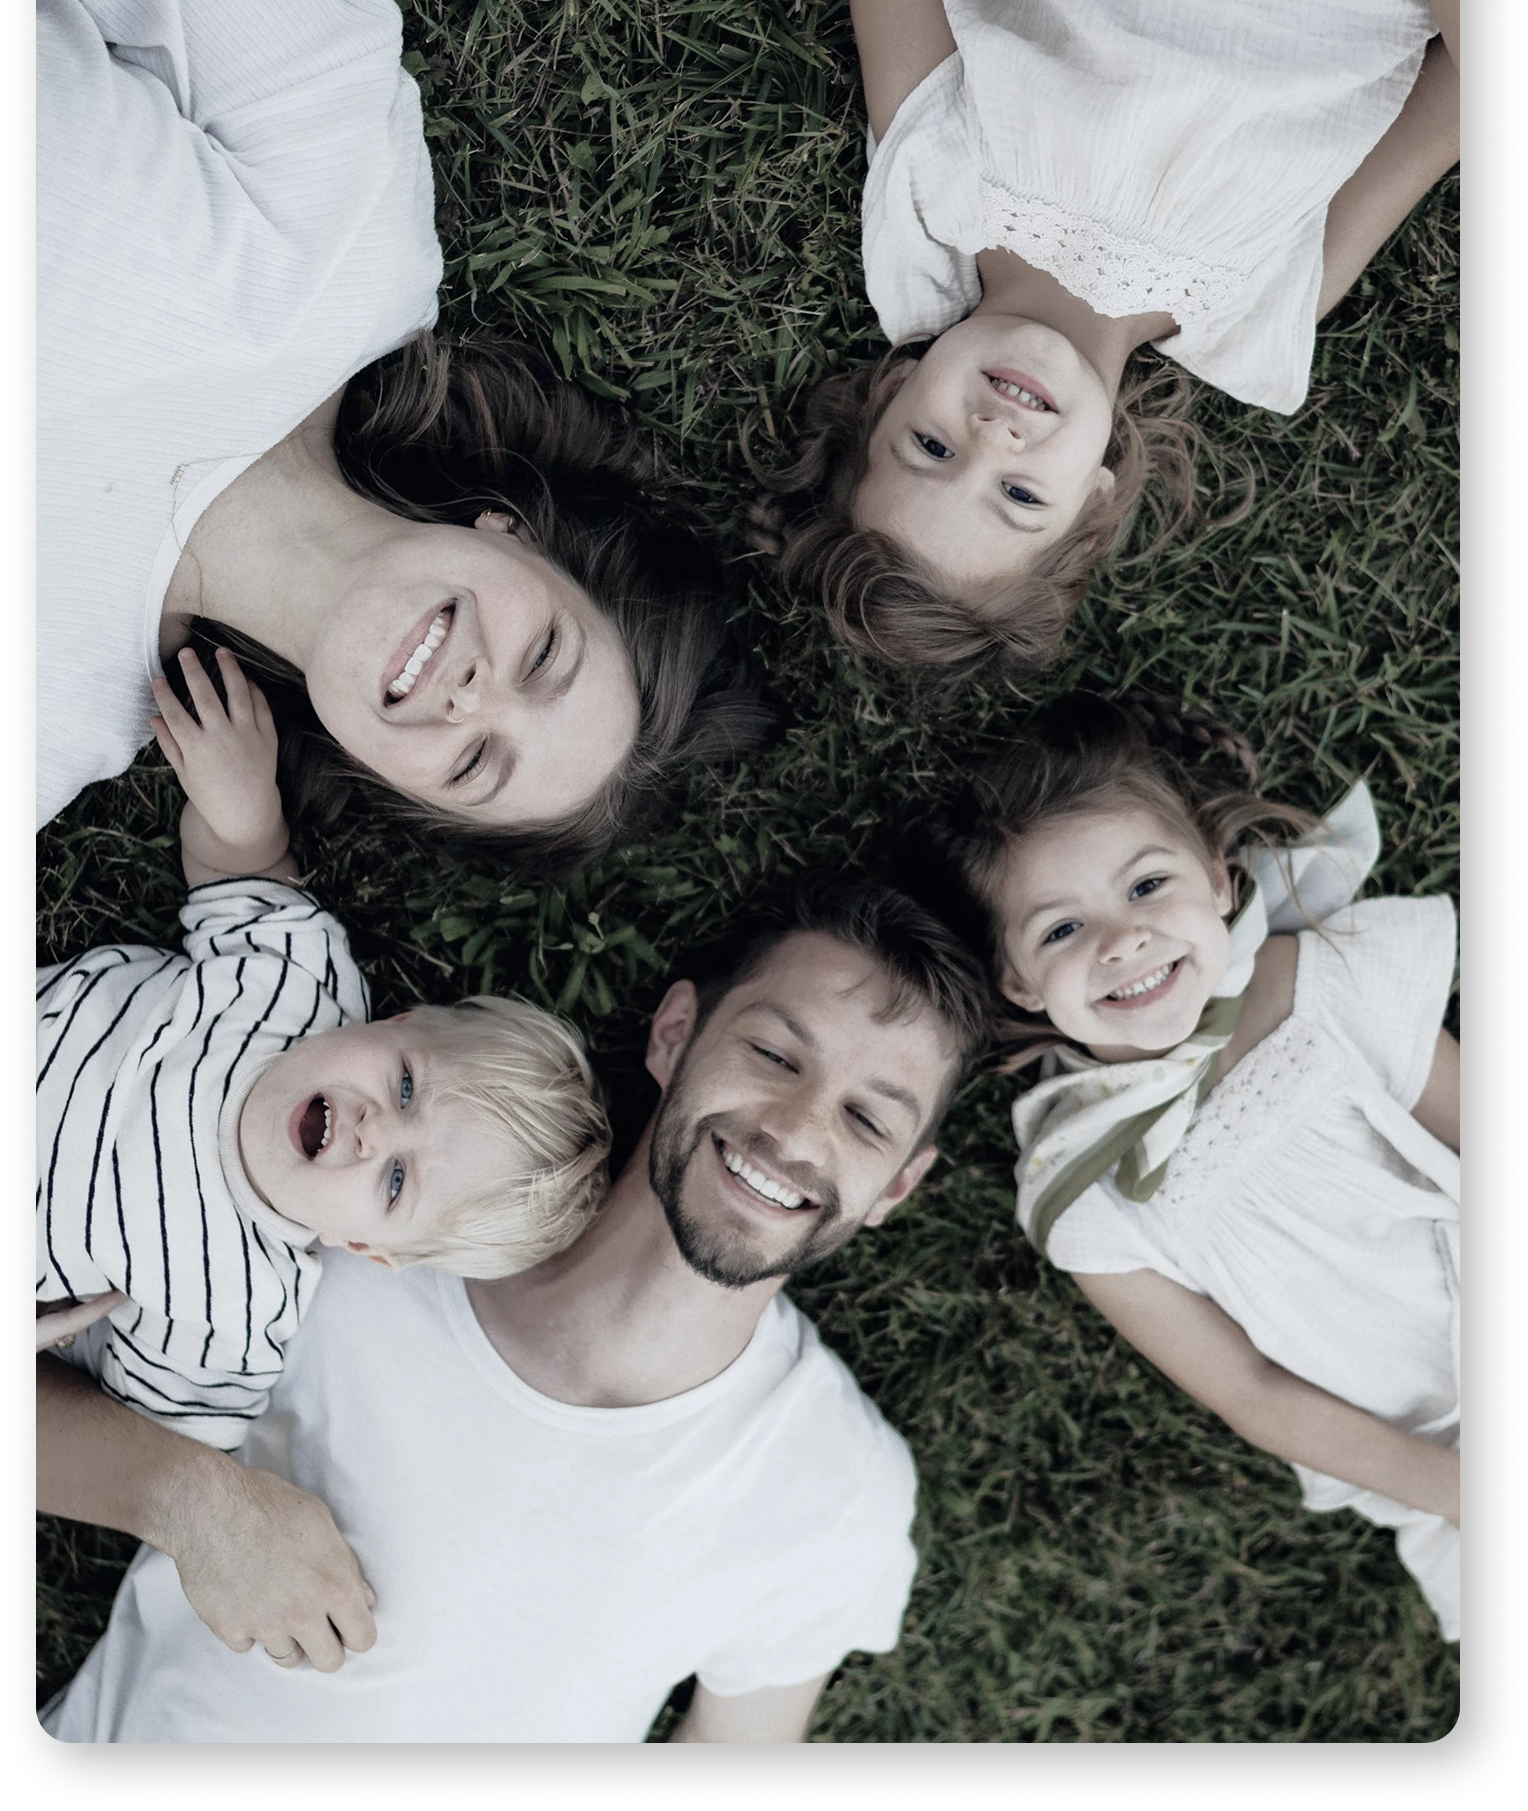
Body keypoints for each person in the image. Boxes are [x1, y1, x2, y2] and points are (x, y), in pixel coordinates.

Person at [38, 879, 993, 1742]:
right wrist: (194, 1503)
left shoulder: (836, 1494)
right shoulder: (355, 1227)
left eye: (868, 1119)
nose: (795, 1131)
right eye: (775, 1053)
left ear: (895, 1188)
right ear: (674, 1035)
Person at [38, 0, 770, 864]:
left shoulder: (57, 722)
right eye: (544, 655)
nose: (472, 696)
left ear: (374, 776)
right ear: (516, 529)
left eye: (475, 765)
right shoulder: (351, 251)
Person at [750, 0, 1460, 685]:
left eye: (932, 446)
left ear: (890, 392)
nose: (993, 437)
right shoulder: (1250, 313)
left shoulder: (943, 185)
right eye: (1019, 495)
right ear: (1093, 500)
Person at [936, 693, 1460, 1637]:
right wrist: (1459, 1489)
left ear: (1219, 881)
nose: (1120, 940)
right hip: (1433, 1453)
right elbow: (1250, 1388)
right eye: (1059, 931)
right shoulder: (1084, 1190)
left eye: (1146, 888)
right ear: (1017, 980)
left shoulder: (1318, 983)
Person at [38, 642, 610, 1452]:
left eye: (398, 1180)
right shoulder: (296, 983)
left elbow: (160, 1446)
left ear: (369, 1250)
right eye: (408, 1088)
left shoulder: (236, 1306)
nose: (377, 1130)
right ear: (397, 1024)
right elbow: (241, 867)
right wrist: (240, 801)